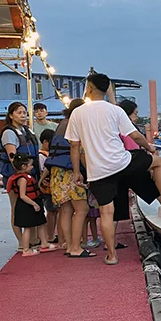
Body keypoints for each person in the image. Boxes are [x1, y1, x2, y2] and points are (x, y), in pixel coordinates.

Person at [67, 73, 161, 265]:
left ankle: (112, 255)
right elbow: (134, 135)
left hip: (98, 171)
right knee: (157, 162)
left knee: (106, 212)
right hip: (122, 162)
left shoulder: (77, 113)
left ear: (89, 88)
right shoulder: (115, 110)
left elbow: (74, 147)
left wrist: (77, 171)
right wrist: (149, 148)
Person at [45, 99, 92, 258]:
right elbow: (79, 150)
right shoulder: (76, 124)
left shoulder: (61, 124)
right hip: (70, 171)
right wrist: (89, 171)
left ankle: (68, 245)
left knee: (65, 210)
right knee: (82, 209)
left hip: (56, 173)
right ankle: (76, 247)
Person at [0, 102, 39, 251]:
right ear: (11, 115)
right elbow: (13, 157)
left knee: (32, 206)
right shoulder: (9, 132)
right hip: (16, 177)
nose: (23, 115)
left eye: (24, 113)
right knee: (17, 208)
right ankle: (22, 242)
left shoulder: (27, 130)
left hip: (30, 175)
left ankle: (34, 239)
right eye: (19, 113)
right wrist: (22, 173)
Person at [7, 153, 59, 257]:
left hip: (34, 202)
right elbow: (22, 195)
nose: (32, 167)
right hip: (27, 204)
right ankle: (26, 249)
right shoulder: (22, 179)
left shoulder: (27, 177)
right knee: (27, 227)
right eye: (30, 165)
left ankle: (44, 243)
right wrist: (33, 204)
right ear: (23, 166)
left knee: (41, 223)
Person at [38, 129, 59, 245]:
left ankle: (51, 233)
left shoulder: (46, 154)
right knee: (51, 211)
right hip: (47, 188)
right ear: (45, 142)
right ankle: (49, 235)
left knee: (54, 211)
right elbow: (43, 170)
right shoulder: (42, 155)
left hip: (50, 187)